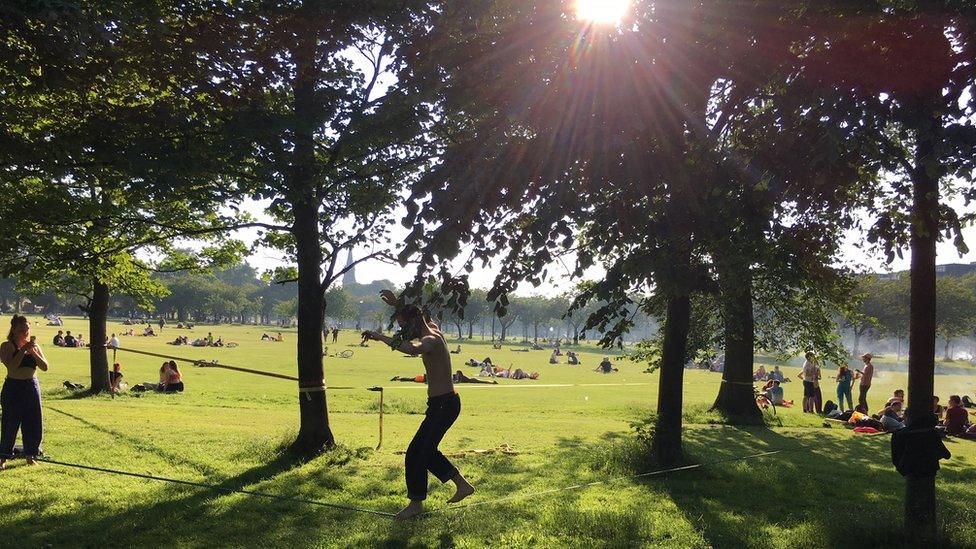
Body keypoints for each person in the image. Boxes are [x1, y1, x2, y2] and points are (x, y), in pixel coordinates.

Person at [361, 290, 474, 520]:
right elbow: (419, 315)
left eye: (405, 327)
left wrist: (380, 337)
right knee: (425, 451)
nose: (404, 332)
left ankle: (416, 504)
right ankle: (462, 485)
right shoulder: (432, 327)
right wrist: (398, 306)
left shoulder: (430, 339)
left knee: (416, 453)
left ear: (414, 323)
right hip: (441, 405)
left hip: (444, 405)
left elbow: (411, 349)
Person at [0, 315, 49, 468]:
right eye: (22, 330)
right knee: (10, 422)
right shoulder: (7, 346)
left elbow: (45, 367)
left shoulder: (35, 346)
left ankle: (31, 455)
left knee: (33, 421)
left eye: (27, 329)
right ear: (14, 330)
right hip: (14, 387)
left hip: (31, 386)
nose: (26, 332)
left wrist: (33, 352)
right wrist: (22, 351)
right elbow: (12, 368)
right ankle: (3, 457)